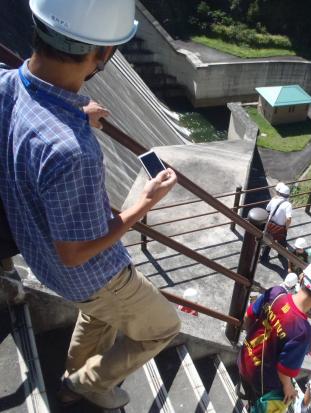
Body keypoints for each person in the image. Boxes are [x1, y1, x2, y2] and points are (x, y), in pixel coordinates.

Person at [0, 1, 182, 409]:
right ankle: (86, 384)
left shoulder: (6, 84)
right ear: (103, 54)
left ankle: (74, 371)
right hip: (90, 275)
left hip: (38, 258)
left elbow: (37, 111)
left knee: (100, 313)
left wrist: (78, 112)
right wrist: (142, 203)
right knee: (163, 327)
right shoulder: (72, 151)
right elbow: (75, 252)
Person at [238, 257, 311, 411]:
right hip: (261, 382)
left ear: (302, 277)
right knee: (285, 396)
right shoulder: (303, 331)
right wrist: (289, 388)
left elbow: (248, 317)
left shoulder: (276, 293)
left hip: (243, 359)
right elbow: (284, 371)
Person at [261, 182, 292, 262]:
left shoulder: (274, 199)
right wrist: (286, 228)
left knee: (268, 241)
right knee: (282, 242)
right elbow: (288, 218)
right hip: (280, 228)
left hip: (270, 224)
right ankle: (281, 255)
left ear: (280, 193)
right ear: (287, 195)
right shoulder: (288, 205)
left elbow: (267, 209)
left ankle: (264, 257)